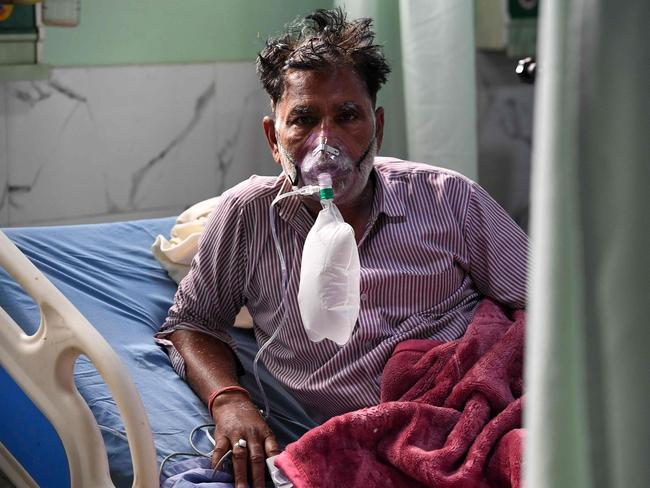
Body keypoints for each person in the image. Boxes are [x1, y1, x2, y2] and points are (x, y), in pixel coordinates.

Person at [155, 8, 528, 488]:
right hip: (356, 441)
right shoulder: (249, 217)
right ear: (274, 138)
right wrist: (229, 399)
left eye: (348, 116)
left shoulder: (448, 198)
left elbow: (545, 307)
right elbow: (192, 324)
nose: (325, 144)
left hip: (471, 409)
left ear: (378, 126)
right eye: (304, 120)